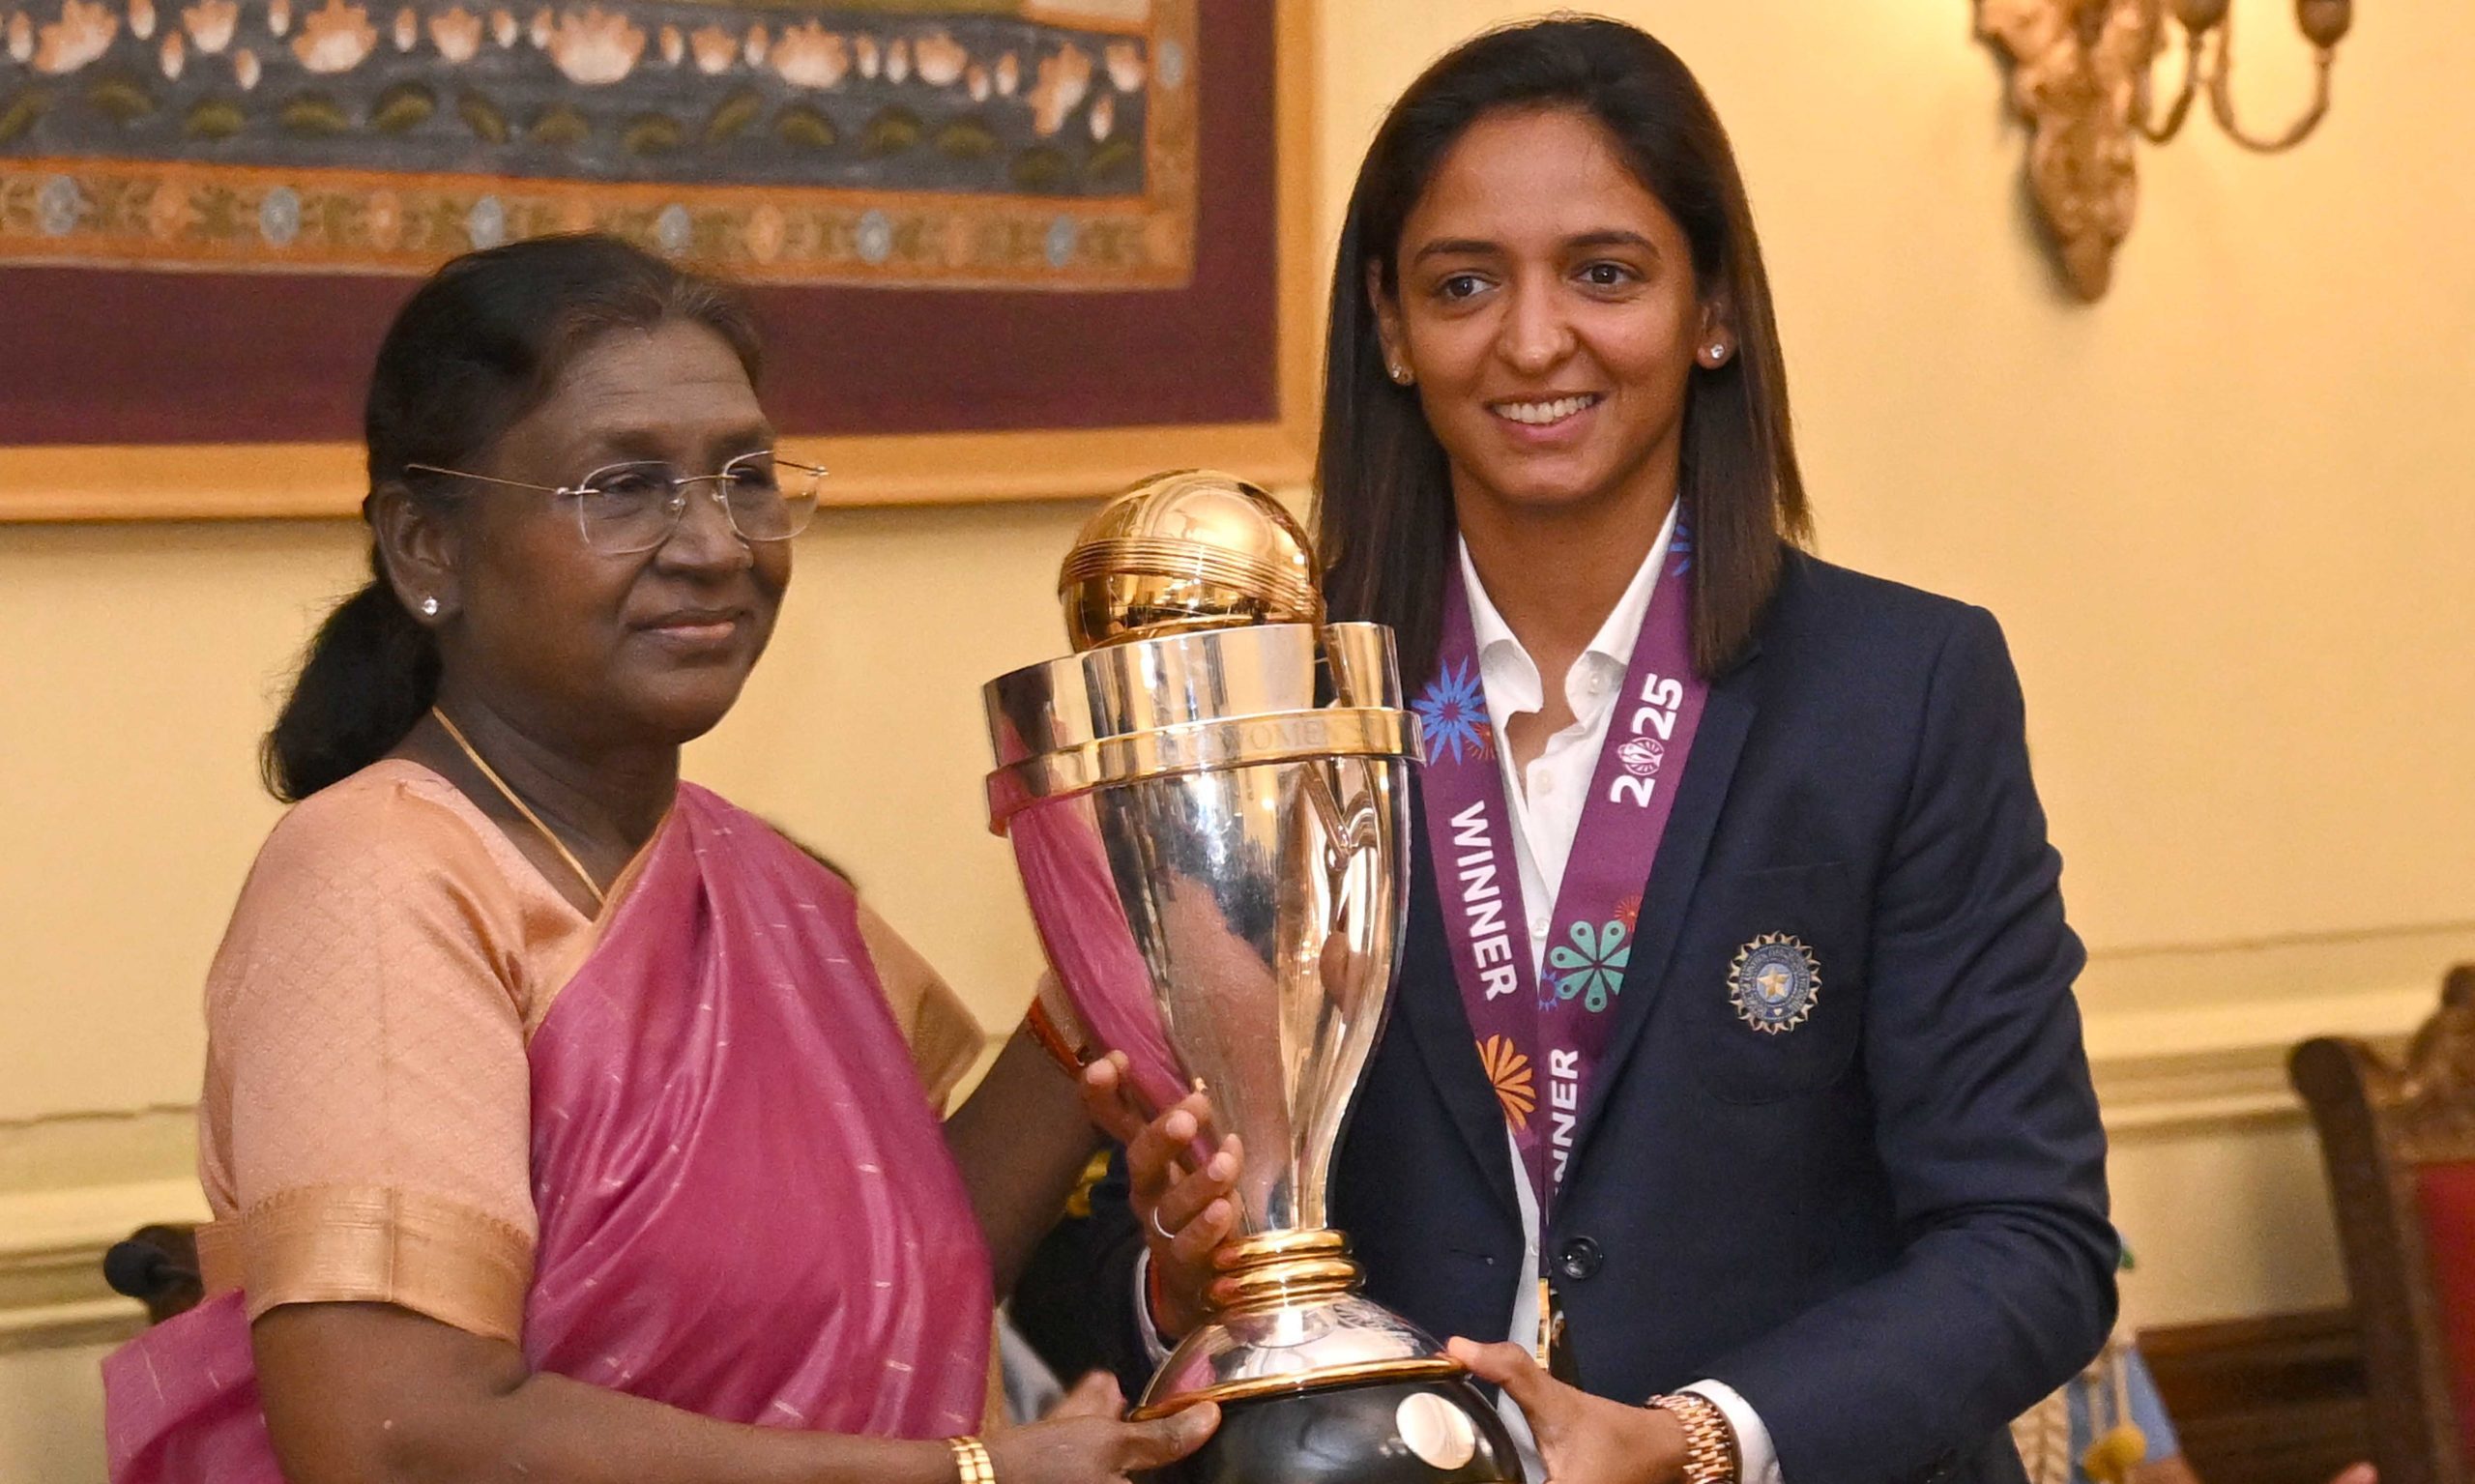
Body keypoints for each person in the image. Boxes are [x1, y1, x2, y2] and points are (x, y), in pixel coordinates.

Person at [1081, 17, 2115, 1484]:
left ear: (1713, 311)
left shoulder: (1901, 691)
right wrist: (1180, 1284)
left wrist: (1699, 1443)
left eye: (1605, 272)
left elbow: (2033, 1242)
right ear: (1389, 326)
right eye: (1463, 284)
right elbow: (1086, 1267)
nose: (1532, 338)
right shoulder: (1268, 725)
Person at [101, 233, 1215, 1484]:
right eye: (622, 488)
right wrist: (973, 1477)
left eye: (744, 476)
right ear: (426, 546)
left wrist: (1126, 929)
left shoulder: (773, 889)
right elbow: (393, 1437)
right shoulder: (383, 881)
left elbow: (898, 1266)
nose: (716, 544)